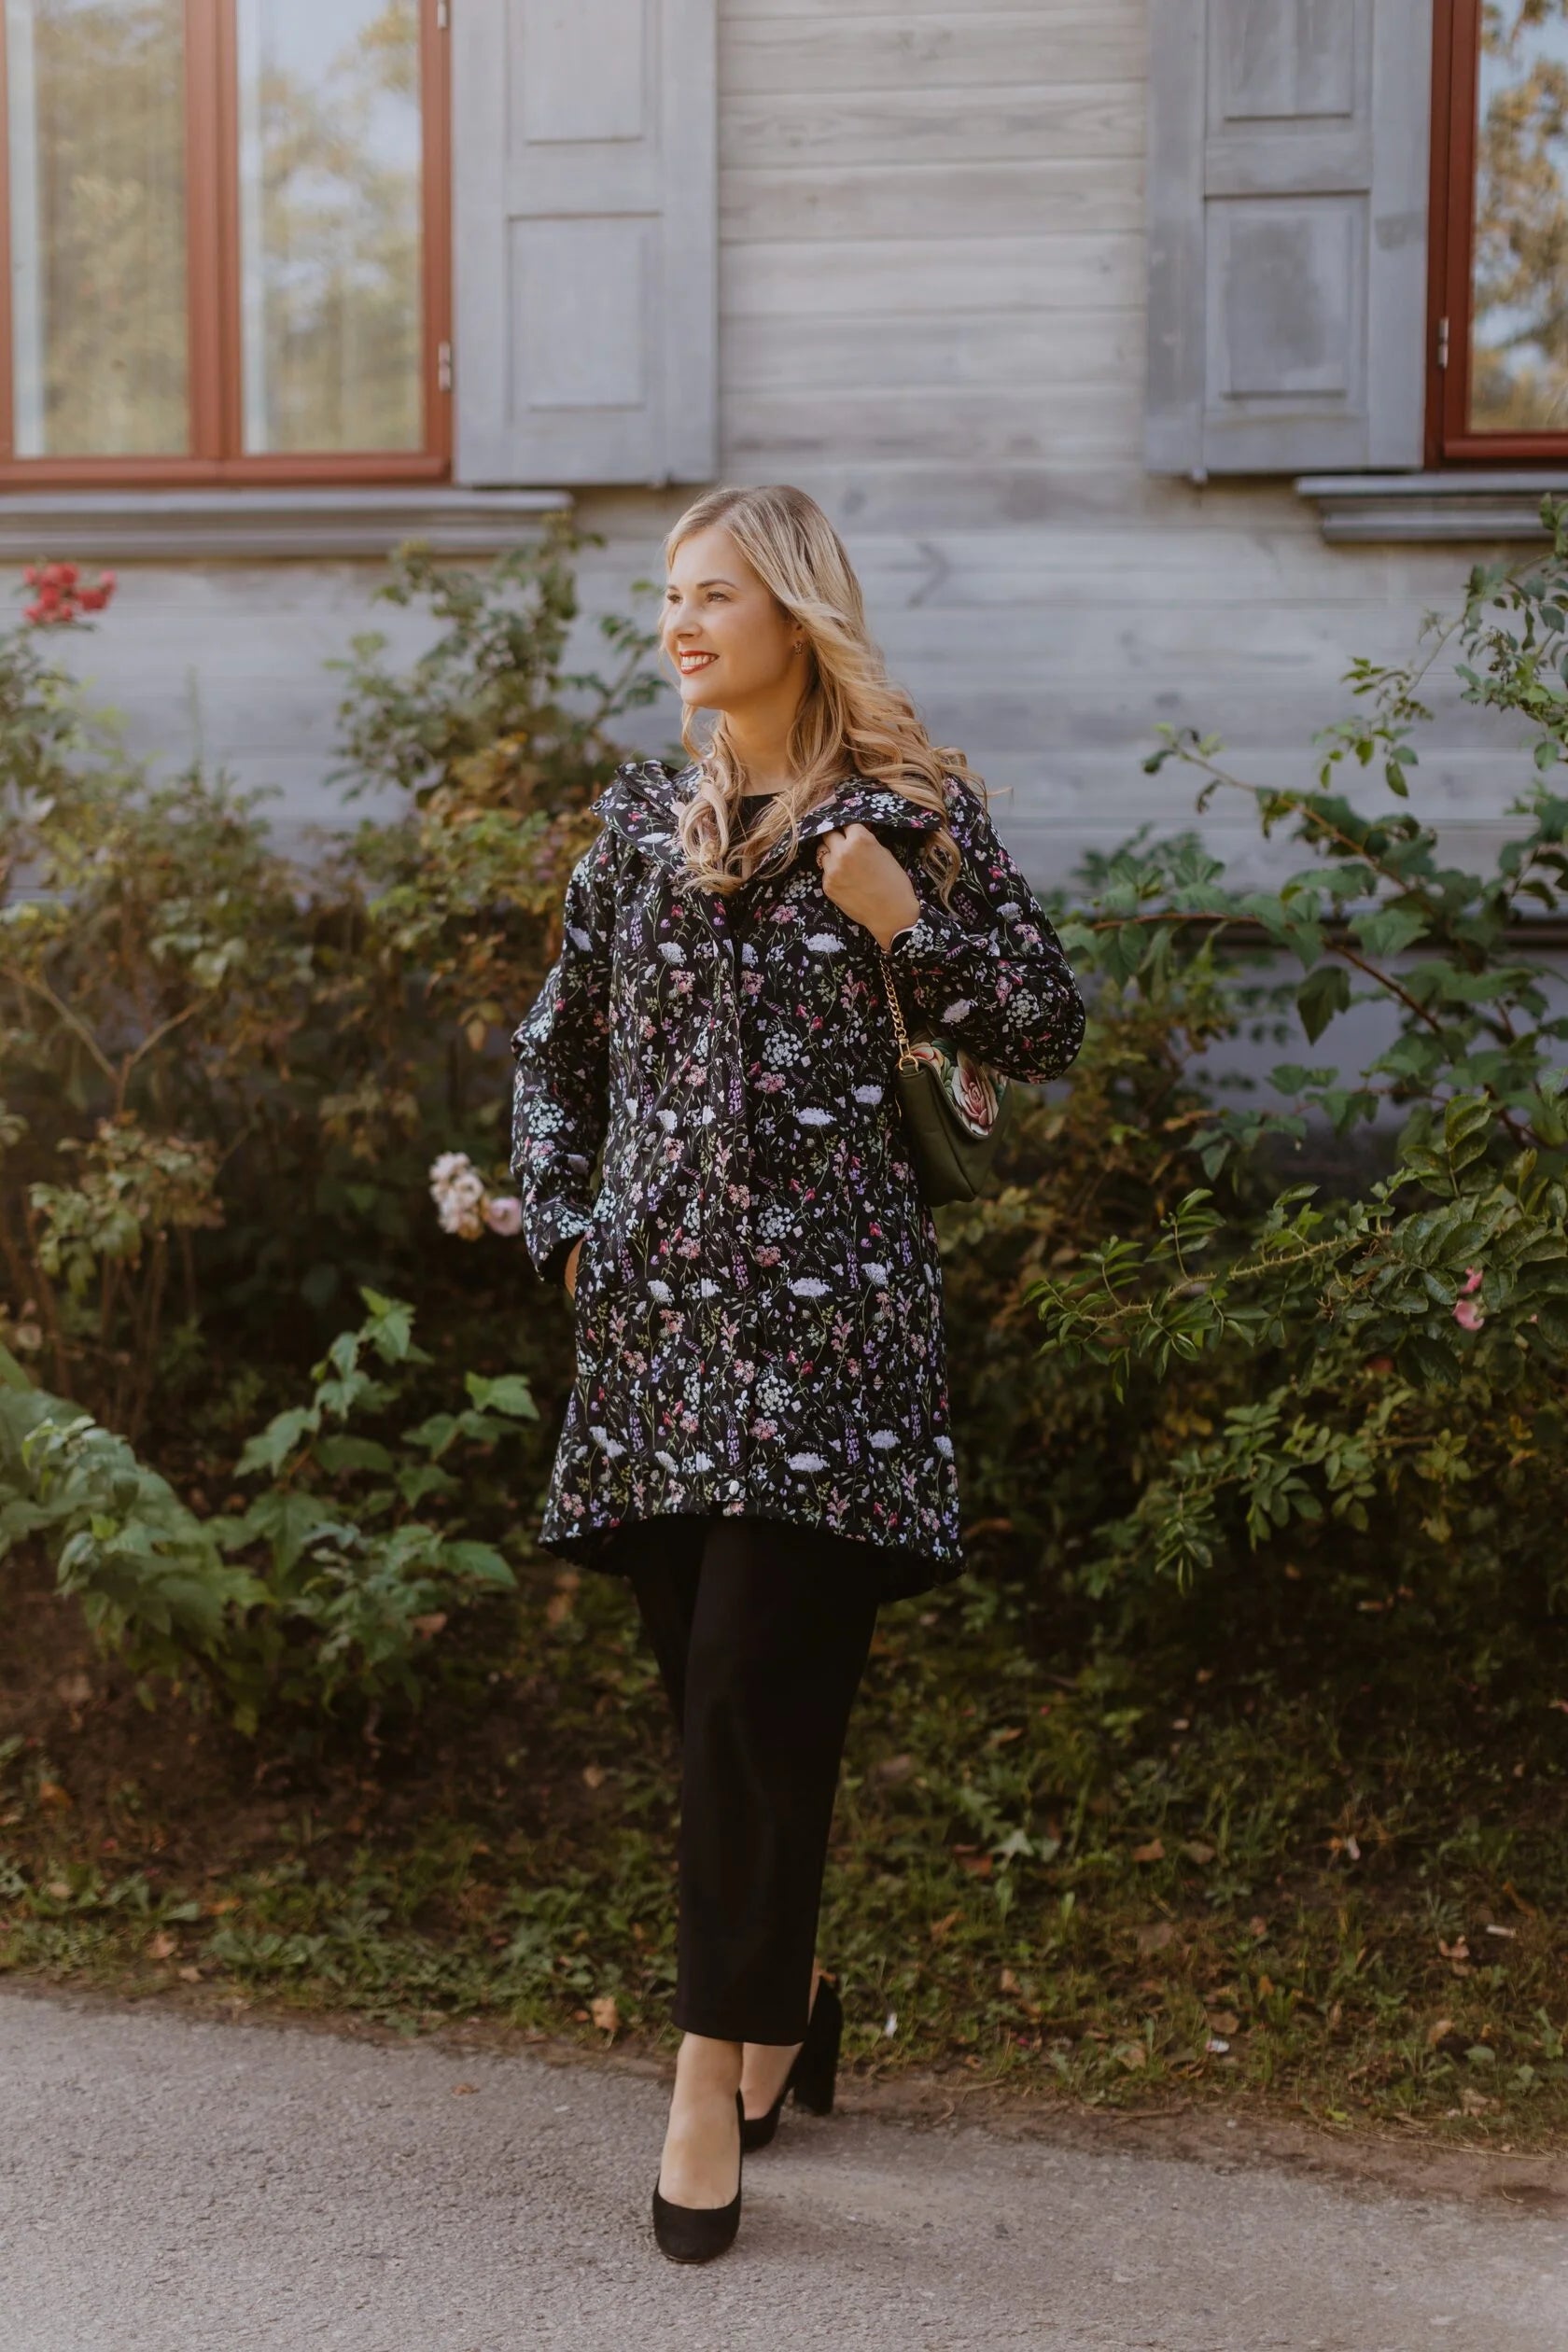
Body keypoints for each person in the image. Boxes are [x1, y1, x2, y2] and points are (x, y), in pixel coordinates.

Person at [510, 483, 1085, 2261]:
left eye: (714, 596)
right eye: (669, 596)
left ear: (796, 615)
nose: (679, 625)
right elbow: (555, 1055)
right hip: (661, 1348)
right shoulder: (640, 826)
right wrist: (570, 1236)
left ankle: (705, 2085)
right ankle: (792, 1988)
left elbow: (1045, 1022)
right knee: (722, 1710)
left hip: (835, 1346)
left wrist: (901, 916)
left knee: (749, 1691)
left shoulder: (910, 817)